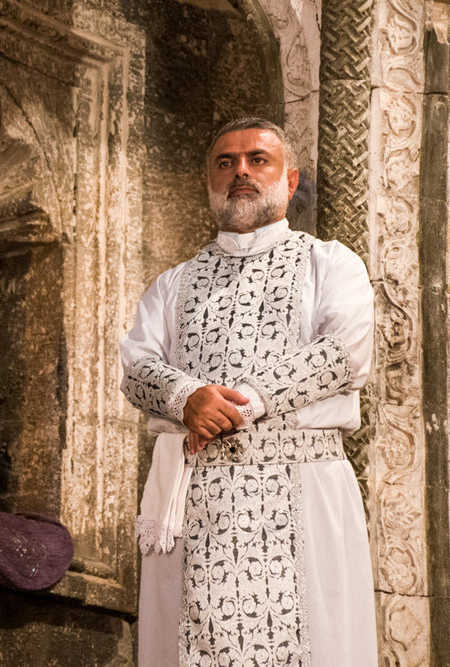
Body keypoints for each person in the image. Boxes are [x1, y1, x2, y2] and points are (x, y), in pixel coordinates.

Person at [119, 117, 377, 666]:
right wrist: (186, 397)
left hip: (304, 490)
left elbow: (344, 354)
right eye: (225, 161)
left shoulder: (330, 264)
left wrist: (246, 402)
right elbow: (137, 366)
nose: (241, 171)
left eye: (258, 159)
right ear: (210, 181)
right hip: (195, 503)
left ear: (289, 179)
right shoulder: (173, 283)